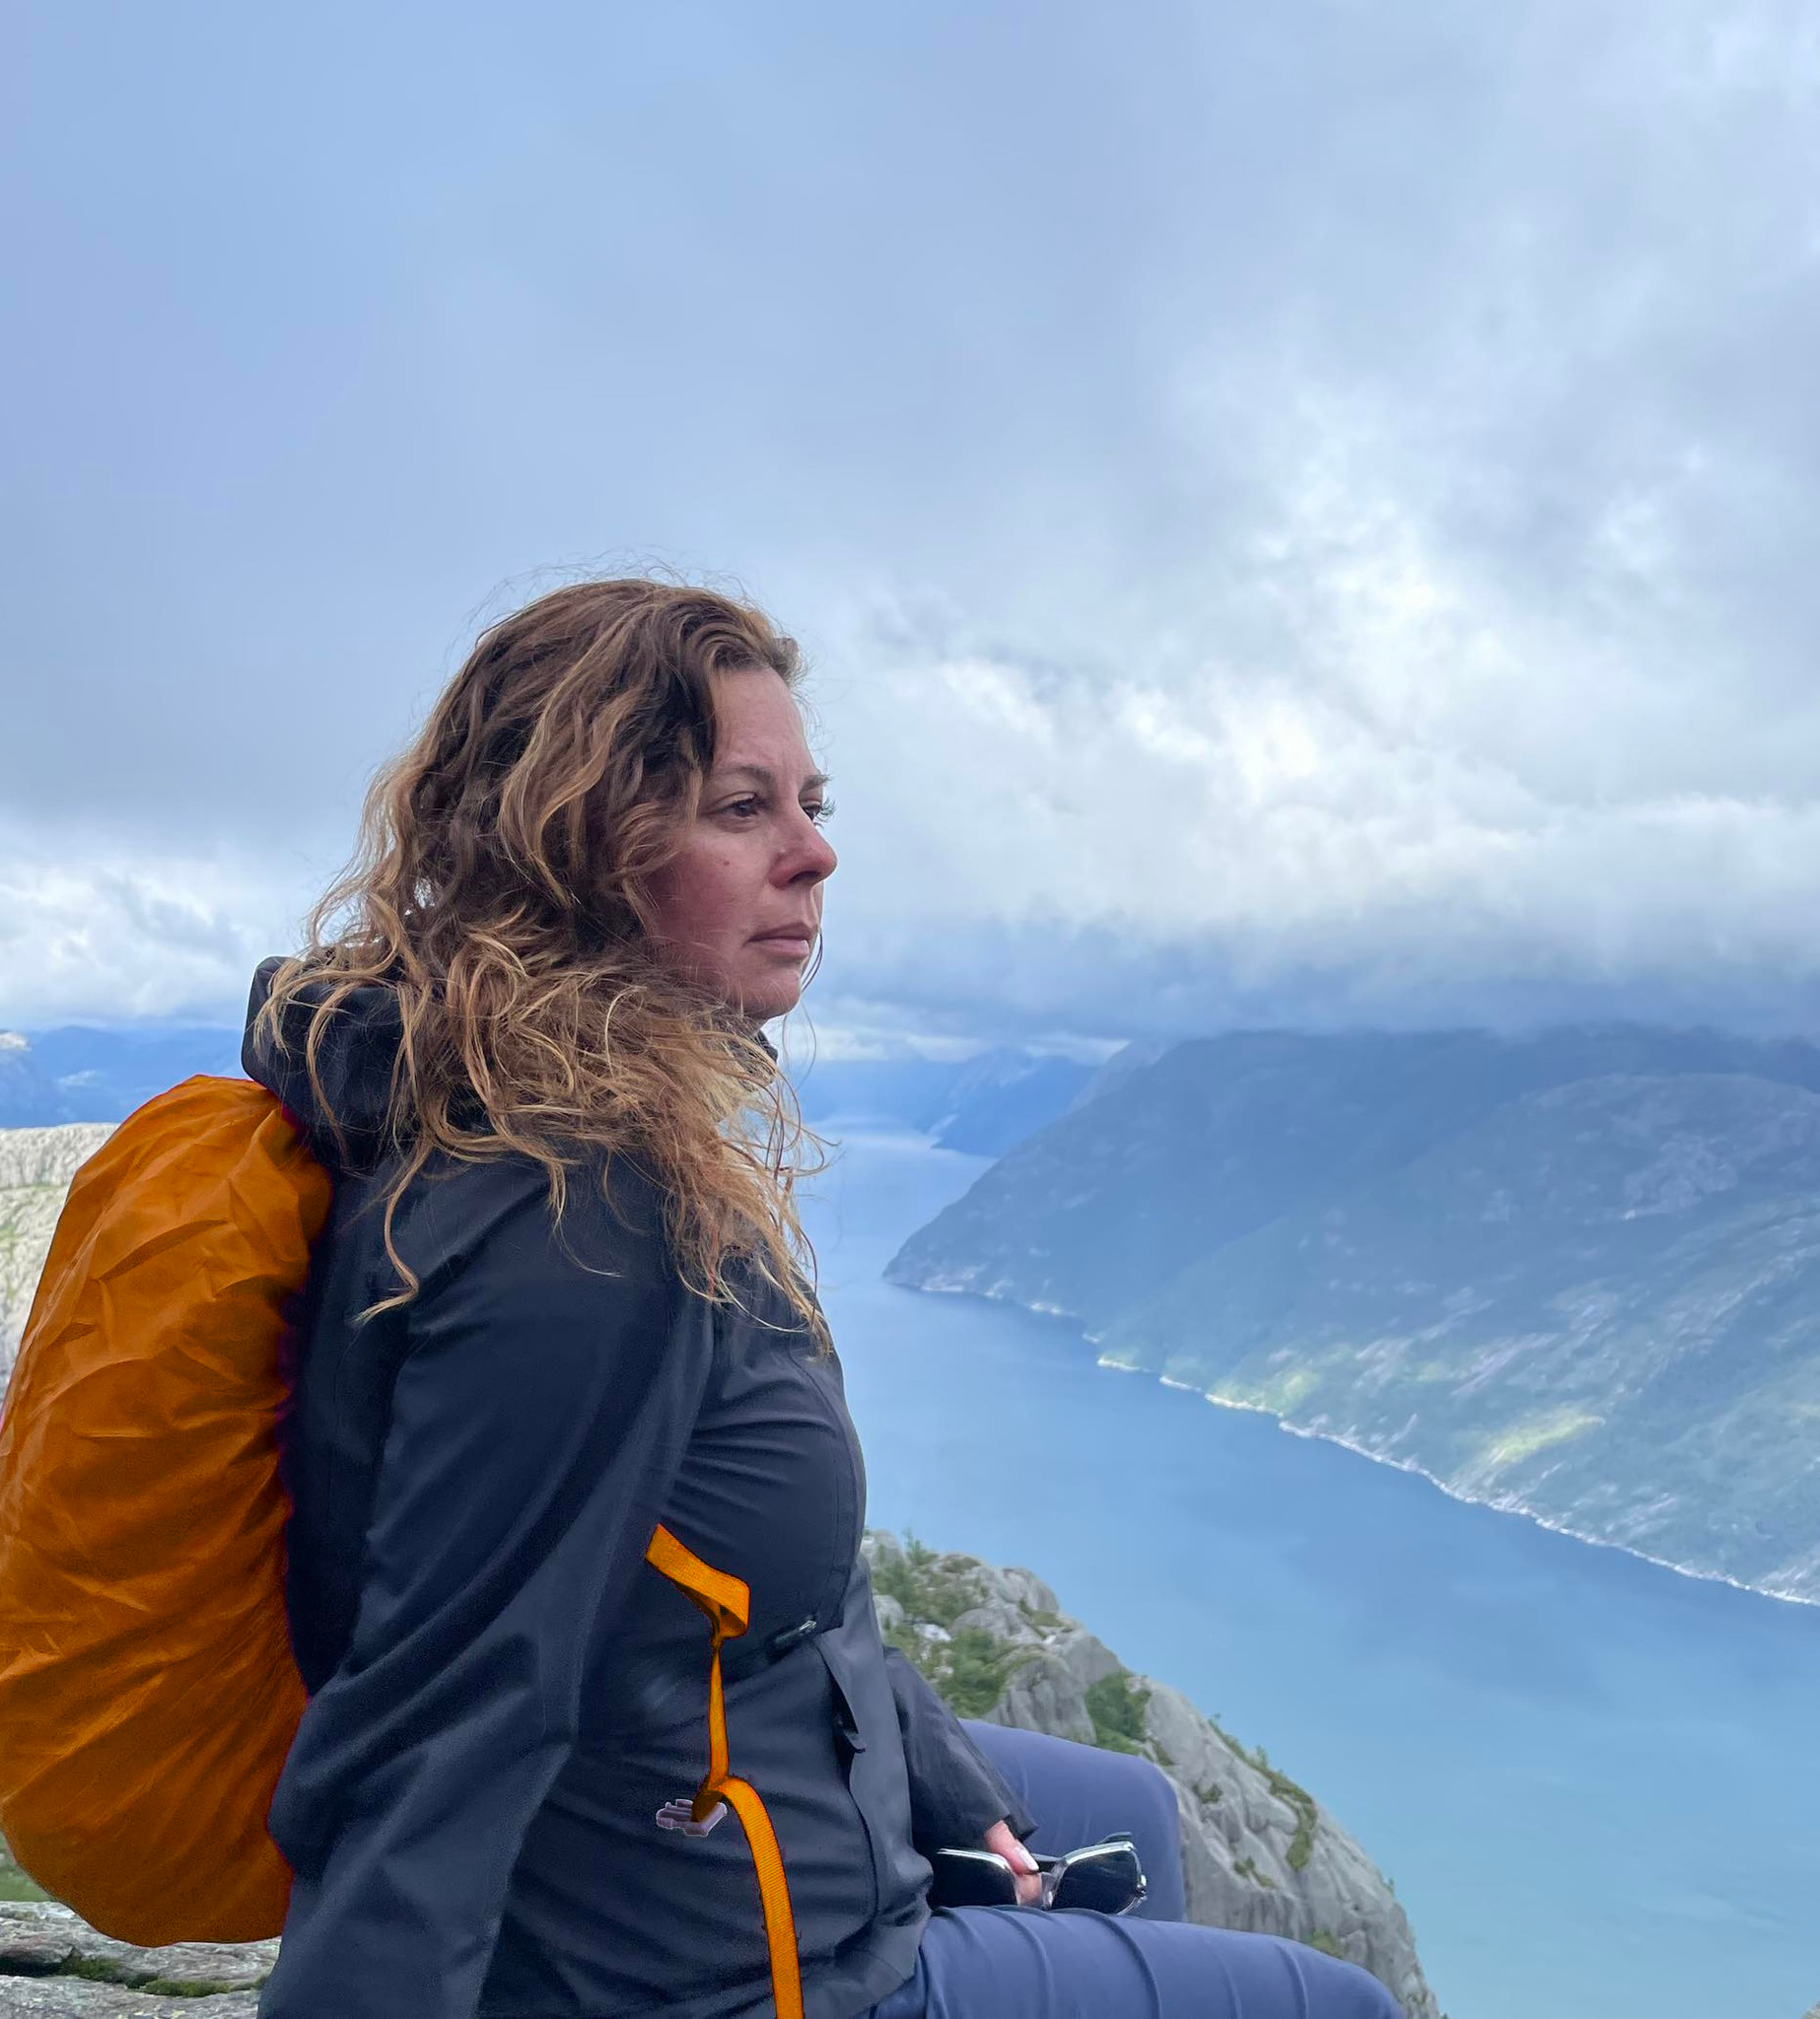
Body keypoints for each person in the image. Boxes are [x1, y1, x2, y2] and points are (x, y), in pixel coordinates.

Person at [243, 578, 1403, 2019]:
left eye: (811, 799)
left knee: (1140, 1819)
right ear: (585, 846)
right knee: (1335, 2005)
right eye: (744, 808)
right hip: (718, 1974)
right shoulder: (579, 1223)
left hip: (742, 1805)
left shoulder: (600, 1126)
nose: (818, 854)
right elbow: (446, 1728)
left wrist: (925, 1757)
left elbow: (732, 1593)